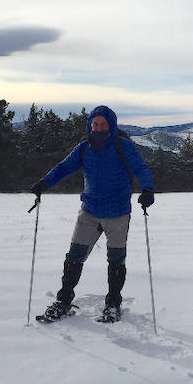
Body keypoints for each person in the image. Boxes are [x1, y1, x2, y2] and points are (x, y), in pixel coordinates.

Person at [30, 105, 155, 323]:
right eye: (95, 124)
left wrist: (147, 190)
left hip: (117, 214)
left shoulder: (122, 146)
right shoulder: (84, 148)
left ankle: (113, 304)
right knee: (74, 258)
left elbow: (141, 169)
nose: (98, 128)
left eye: (103, 124)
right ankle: (64, 301)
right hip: (88, 213)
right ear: (90, 125)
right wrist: (45, 182)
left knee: (116, 261)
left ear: (111, 125)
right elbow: (64, 167)